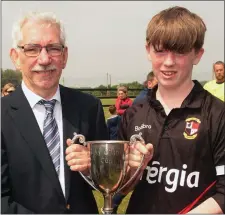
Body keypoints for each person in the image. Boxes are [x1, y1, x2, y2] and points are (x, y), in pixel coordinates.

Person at [118, 6, 225, 214]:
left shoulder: (217, 114)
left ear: (198, 54)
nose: (168, 62)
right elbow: (121, 187)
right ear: (148, 50)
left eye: (180, 51)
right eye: (160, 51)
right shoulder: (134, 113)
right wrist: (133, 170)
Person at [1, 11, 108, 214]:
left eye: (53, 48)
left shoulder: (89, 107)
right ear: (16, 58)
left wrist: (92, 167)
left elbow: (106, 182)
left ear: (65, 56)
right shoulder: (2, 115)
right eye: (32, 49)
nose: (44, 59)